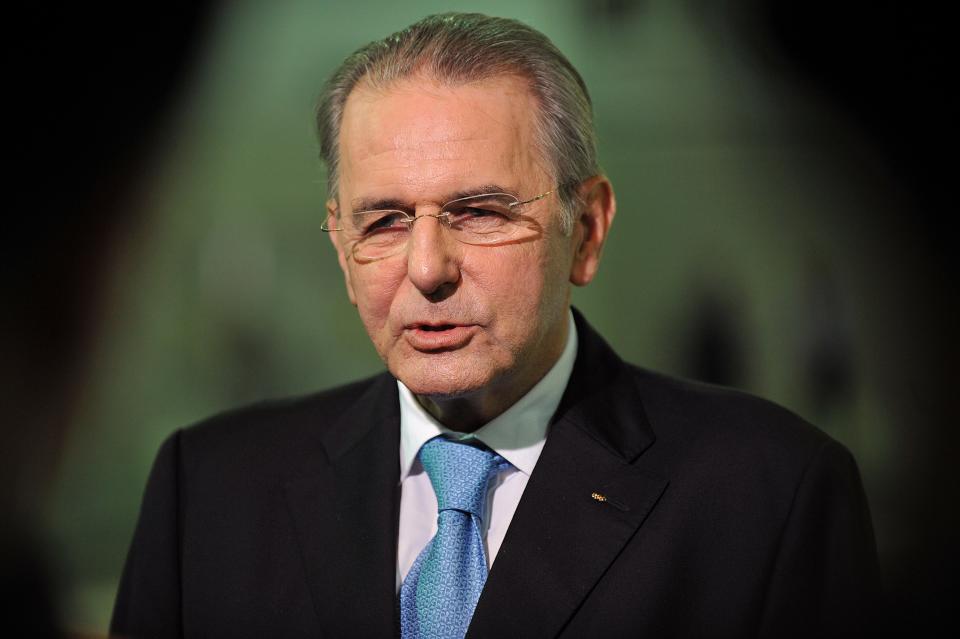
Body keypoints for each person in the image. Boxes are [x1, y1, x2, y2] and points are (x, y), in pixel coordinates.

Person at [111, 12, 881, 638]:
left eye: (478, 212)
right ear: (342, 251)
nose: (428, 267)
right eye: (382, 222)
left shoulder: (770, 494)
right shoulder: (207, 492)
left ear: (586, 230)